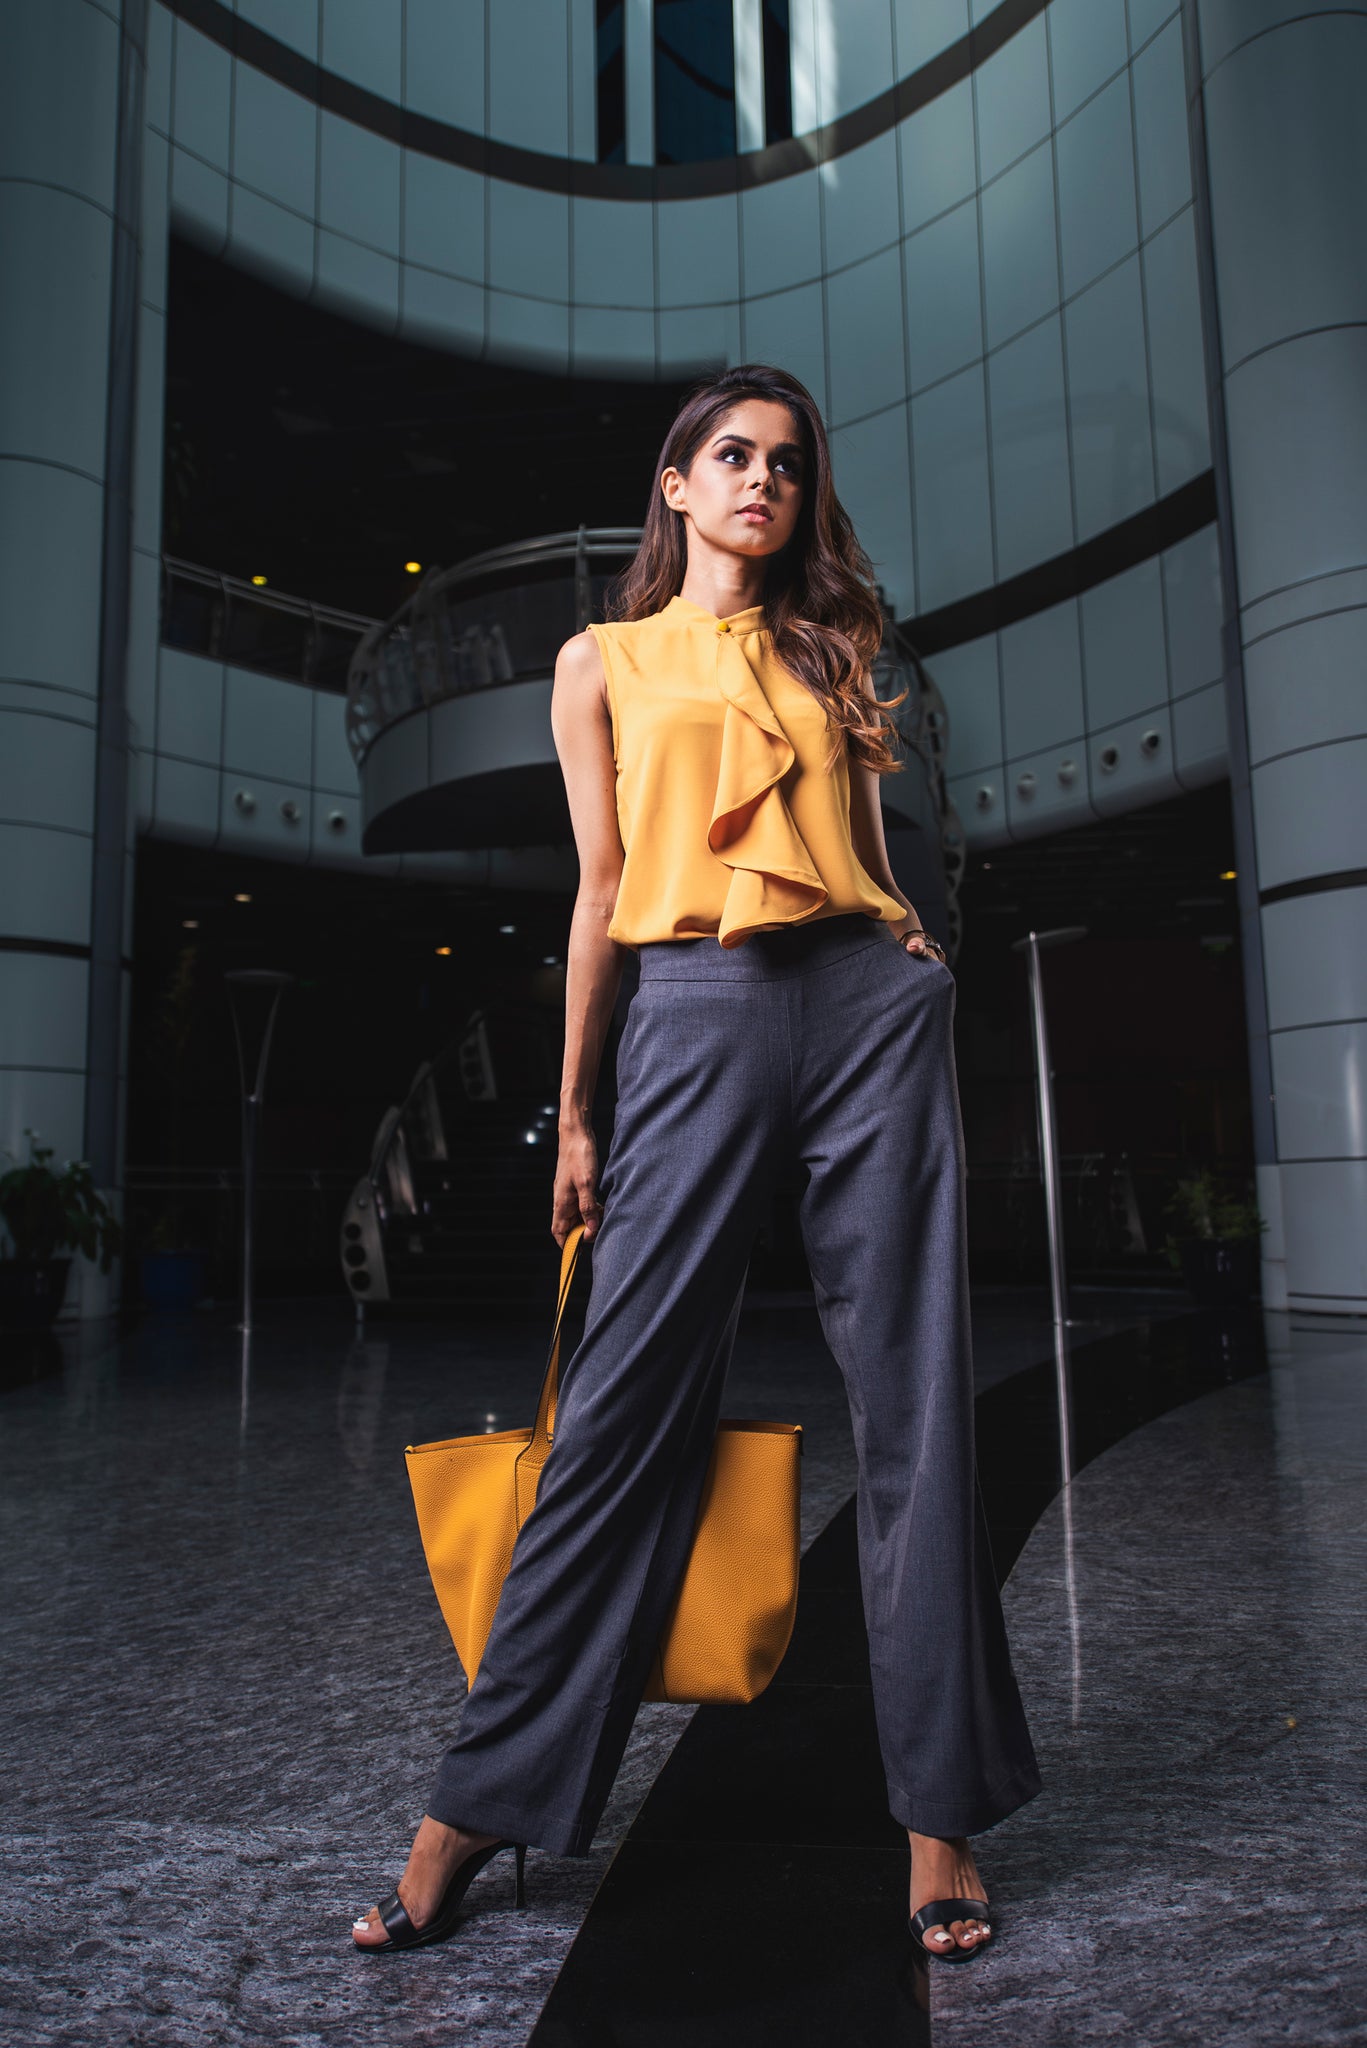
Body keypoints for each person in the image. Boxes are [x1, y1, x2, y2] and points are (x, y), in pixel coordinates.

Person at [352, 364, 1041, 1961]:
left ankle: (940, 1824)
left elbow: (869, 846)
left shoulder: (831, 648)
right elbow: (598, 888)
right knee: (614, 1420)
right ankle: (471, 1806)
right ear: (676, 485)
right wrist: (580, 1111)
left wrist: (914, 950)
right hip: (694, 1008)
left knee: (917, 1404)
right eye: (731, 457)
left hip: (867, 1010)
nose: (760, 482)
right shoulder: (600, 663)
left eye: (787, 465)